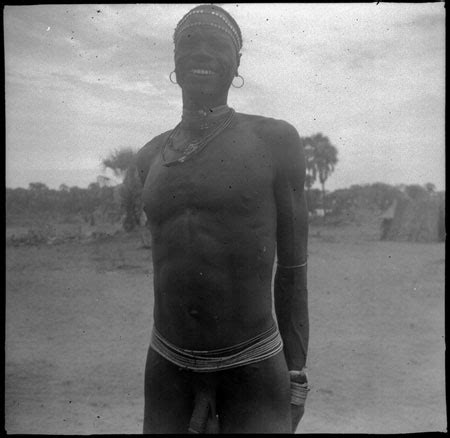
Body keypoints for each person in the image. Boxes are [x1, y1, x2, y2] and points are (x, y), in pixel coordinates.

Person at [136, 4, 310, 433]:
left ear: (237, 65)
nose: (202, 54)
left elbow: (293, 268)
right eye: (189, 44)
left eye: (217, 45)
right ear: (174, 60)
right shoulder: (149, 157)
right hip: (167, 362)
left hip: (253, 363)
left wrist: (297, 370)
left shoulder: (274, 140)